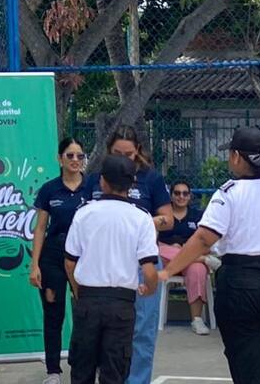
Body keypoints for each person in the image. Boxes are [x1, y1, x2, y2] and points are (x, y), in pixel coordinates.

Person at [159, 128, 260, 384]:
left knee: (249, 362)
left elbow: (204, 238)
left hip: (243, 281)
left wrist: (167, 270)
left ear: (237, 157)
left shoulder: (229, 193)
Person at [86, 125, 173, 384]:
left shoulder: (151, 178)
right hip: (104, 262)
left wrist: (139, 221)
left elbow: (168, 219)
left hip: (140, 261)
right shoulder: (95, 178)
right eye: (117, 153)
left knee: (142, 331)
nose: (123, 158)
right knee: (104, 329)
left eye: (129, 154)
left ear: (138, 152)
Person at [65, 154, 159, 384]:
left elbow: (70, 262)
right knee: (115, 371)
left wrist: (79, 291)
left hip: (88, 299)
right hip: (121, 304)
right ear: (131, 185)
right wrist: (149, 288)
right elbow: (149, 269)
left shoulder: (84, 213)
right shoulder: (142, 218)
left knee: (82, 369)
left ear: (102, 181)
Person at [29, 137, 91, 384]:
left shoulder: (92, 188)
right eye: (70, 155)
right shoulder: (49, 189)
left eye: (79, 156)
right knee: (54, 313)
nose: (75, 160)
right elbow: (40, 228)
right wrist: (34, 265)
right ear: (59, 159)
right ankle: (53, 370)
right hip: (53, 257)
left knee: (85, 313)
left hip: (85, 257)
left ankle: (82, 362)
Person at [157, 180, 213, 335]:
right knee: (160, 251)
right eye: (177, 193)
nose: (181, 196)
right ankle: (200, 259)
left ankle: (197, 319)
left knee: (198, 269)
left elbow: (207, 240)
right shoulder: (163, 216)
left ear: (190, 196)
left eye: (185, 193)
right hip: (166, 258)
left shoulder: (198, 216)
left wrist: (186, 250)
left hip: (191, 257)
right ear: (171, 195)